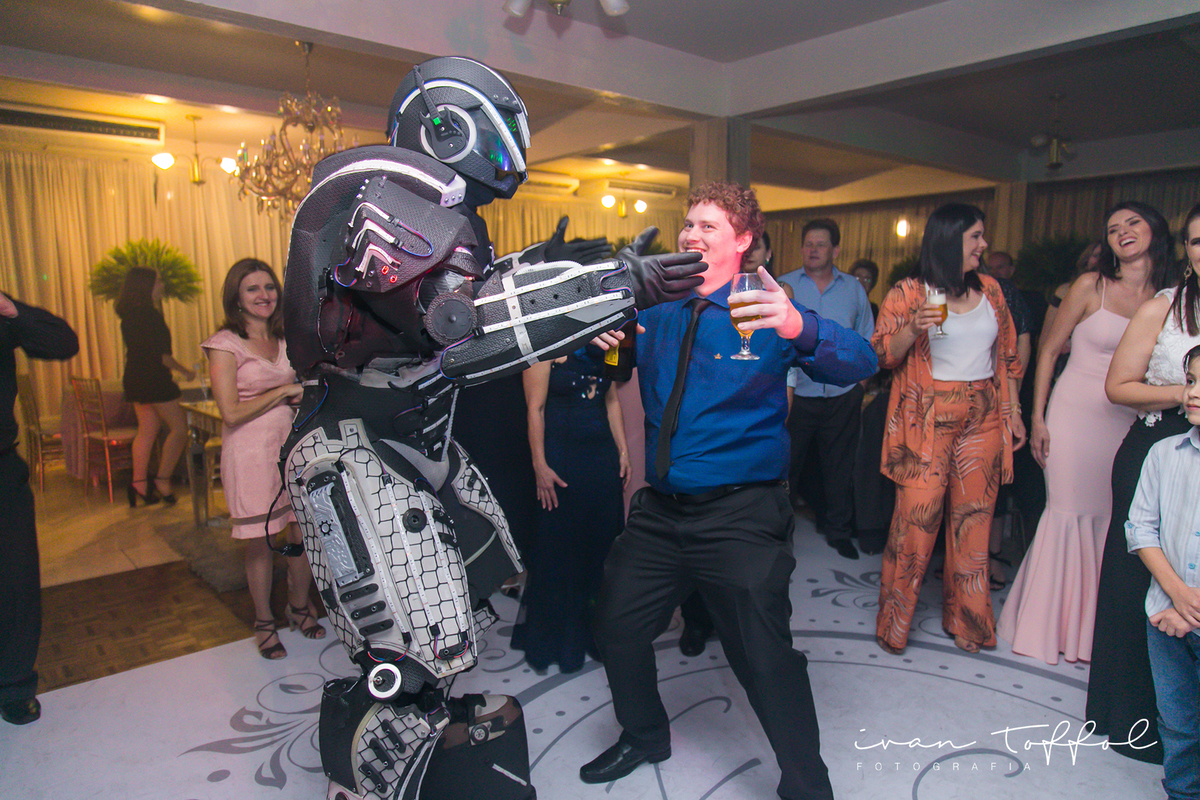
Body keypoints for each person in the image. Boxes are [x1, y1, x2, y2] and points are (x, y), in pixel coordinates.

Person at [277, 56, 705, 800]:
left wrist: (568, 273)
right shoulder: (385, 205)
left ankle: (426, 750)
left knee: (458, 609)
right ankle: (368, 783)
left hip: (412, 440)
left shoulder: (416, 207)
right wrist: (610, 286)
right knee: (408, 653)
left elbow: (462, 304)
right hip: (357, 447)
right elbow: (461, 329)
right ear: (447, 127)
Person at [580, 181, 877, 800]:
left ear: (743, 241)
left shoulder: (767, 308)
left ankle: (806, 785)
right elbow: (614, 369)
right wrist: (606, 341)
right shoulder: (657, 310)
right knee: (614, 626)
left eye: (708, 226)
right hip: (661, 513)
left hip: (742, 514)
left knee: (765, 659)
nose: (691, 234)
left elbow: (860, 363)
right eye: (688, 224)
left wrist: (798, 325)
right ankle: (645, 734)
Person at [999, 201, 1176, 664]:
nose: (1123, 231)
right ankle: (1044, 628)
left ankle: (1093, 635)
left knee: (1113, 521)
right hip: (1074, 415)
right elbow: (1048, 350)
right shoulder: (1090, 285)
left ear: (1155, 230)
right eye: (1114, 228)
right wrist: (1037, 417)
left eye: (1133, 222)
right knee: (1067, 513)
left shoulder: (1170, 298)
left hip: (1130, 422)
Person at [872, 203, 1024, 655]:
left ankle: (968, 622)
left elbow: (1008, 357)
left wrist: (1013, 412)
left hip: (983, 413)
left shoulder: (991, 290)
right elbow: (882, 355)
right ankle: (895, 624)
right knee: (916, 524)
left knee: (973, 524)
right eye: (975, 236)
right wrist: (912, 328)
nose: (984, 244)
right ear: (949, 239)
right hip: (927, 415)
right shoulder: (909, 291)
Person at [1088, 201, 1200, 763]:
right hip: (1159, 446)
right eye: (1198, 241)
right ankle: (1133, 721)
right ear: (1186, 251)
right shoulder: (1165, 307)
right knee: (1138, 581)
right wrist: (1188, 394)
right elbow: (1118, 386)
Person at [202, 258, 323, 660]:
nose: (264, 295)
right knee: (259, 541)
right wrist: (282, 392)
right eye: (252, 288)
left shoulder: (286, 338)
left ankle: (299, 607)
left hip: (291, 447)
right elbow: (231, 413)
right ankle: (264, 622)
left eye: (269, 287)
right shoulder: (224, 344)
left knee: (301, 533)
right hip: (249, 454)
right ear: (236, 297)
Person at [510, 344, 630, 673]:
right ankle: (560, 641)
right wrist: (540, 466)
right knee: (559, 549)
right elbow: (534, 410)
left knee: (602, 547)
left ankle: (595, 634)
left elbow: (611, 399)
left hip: (601, 456)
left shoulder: (608, 342)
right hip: (562, 458)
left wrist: (623, 451)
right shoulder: (547, 344)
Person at [1123, 342, 1200, 800]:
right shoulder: (1164, 453)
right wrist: (1178, 595)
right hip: (1166, 617)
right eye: (1191, 380)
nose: (1194, 392)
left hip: (1184, 614)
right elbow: (1140, 528)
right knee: (1178, 724)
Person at [1, 290, 77, 725]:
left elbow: (63, 343)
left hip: (1, 470)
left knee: (15, 580)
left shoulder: (3, 314)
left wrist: (13, 310)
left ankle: (14, 684)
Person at [778, 218, 875, 560]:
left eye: (820, 245)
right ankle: (779, 536)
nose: (813, 250)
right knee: (787, 467)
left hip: (841, 395)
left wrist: (859, 387)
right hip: (797, 395)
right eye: (808, 244)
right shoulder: (784, 286)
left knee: (839, 467)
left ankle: (839, 532)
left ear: (835, 250)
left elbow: (867, 337)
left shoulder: (853, 289)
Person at [115, 267, 195, 506]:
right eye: (158, 281)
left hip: (135, 377)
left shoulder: (129, 314)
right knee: (179, 429)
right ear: (146, 286)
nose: (162, 285)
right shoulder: (150, 315)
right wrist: (186, 371)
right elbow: (162, 357)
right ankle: (162, 479)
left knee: (147, 430)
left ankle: (139, 483)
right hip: (154, 379)